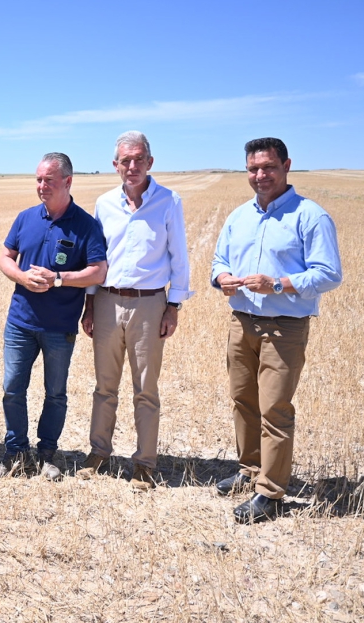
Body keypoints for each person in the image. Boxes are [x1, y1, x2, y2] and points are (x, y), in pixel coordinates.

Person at [211, 137, 342, 523]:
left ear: (287, 166)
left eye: (268, 167)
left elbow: (329, 273)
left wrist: (280, 284)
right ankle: (249, 470)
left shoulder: (310, 216)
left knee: (275, 410)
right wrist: (223, 277)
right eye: (253, 168)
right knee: (243, 401)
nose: (260, 175)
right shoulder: (239, 216)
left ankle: (270, 493)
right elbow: (219, 259)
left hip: (284, 327)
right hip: (242, 322)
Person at [78, 132, 193, 490]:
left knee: (146, 387)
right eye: (125, 161)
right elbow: (96, 258)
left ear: (150, 162)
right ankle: (99, 452)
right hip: (108, 301)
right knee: (104, 385)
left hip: (150, 304)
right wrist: (90, 304)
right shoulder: (104, 203)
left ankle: (144, 463)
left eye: (138, 159)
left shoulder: (169, 201)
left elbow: (180, 257)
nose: (132, 166)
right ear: (115, 165)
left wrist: (173, 305)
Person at [0, 152, 108, 481]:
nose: (42, 186)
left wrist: (59, 279)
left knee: (55, 393)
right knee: (13, 388)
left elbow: (98, 271)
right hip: (20, 322)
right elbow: (5, 257)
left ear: (68, 182)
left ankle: (47, 454)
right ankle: (15, 451)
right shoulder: (26, 217)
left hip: (60, 326)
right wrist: (21, 277)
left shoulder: (85, 225)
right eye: (38, 179)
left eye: (49, 180)